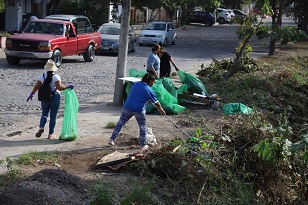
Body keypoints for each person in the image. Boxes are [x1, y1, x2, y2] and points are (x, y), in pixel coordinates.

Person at [109, 72, 166, 151]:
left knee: (120, 123)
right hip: (138, 109)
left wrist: (146, 99)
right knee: (142, 127)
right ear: (149, 81)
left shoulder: (136, 84)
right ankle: (142, 145)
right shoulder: (149, 90)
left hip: (127, 107)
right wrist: (162, 111)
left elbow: (137, 95)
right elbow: (156, 103)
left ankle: (112, 139)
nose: (153, 84)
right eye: (153, 82)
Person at [26, 59, 75, 139]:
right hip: (55, 97)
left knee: (44, 114)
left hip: (44, 97)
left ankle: (41, 127)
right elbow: (59, 88)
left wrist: (32, 94)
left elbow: (37, 86)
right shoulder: (56, 77)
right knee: (53, 116)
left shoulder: (42, 76)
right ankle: (50, 134)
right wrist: (68, 86)